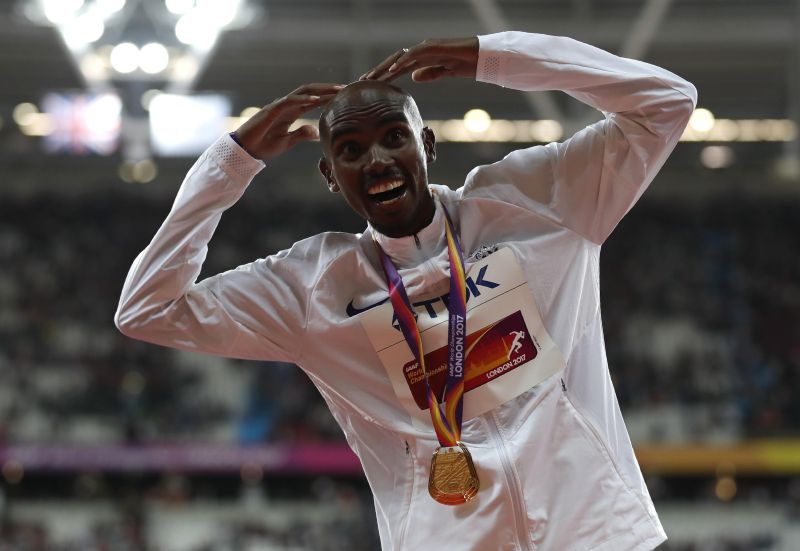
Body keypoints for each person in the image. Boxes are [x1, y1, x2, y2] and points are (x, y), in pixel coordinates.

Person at [116, 31, 696, 550]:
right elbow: (146, 308)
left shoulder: (535, 206)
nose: (377, 159)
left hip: (597, 534)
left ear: (428, 144)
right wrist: (231, 161)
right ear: (329, 175)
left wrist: (494, 57)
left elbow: (667, 103)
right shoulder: (312, 287)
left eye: (395, 136)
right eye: (349, 149)